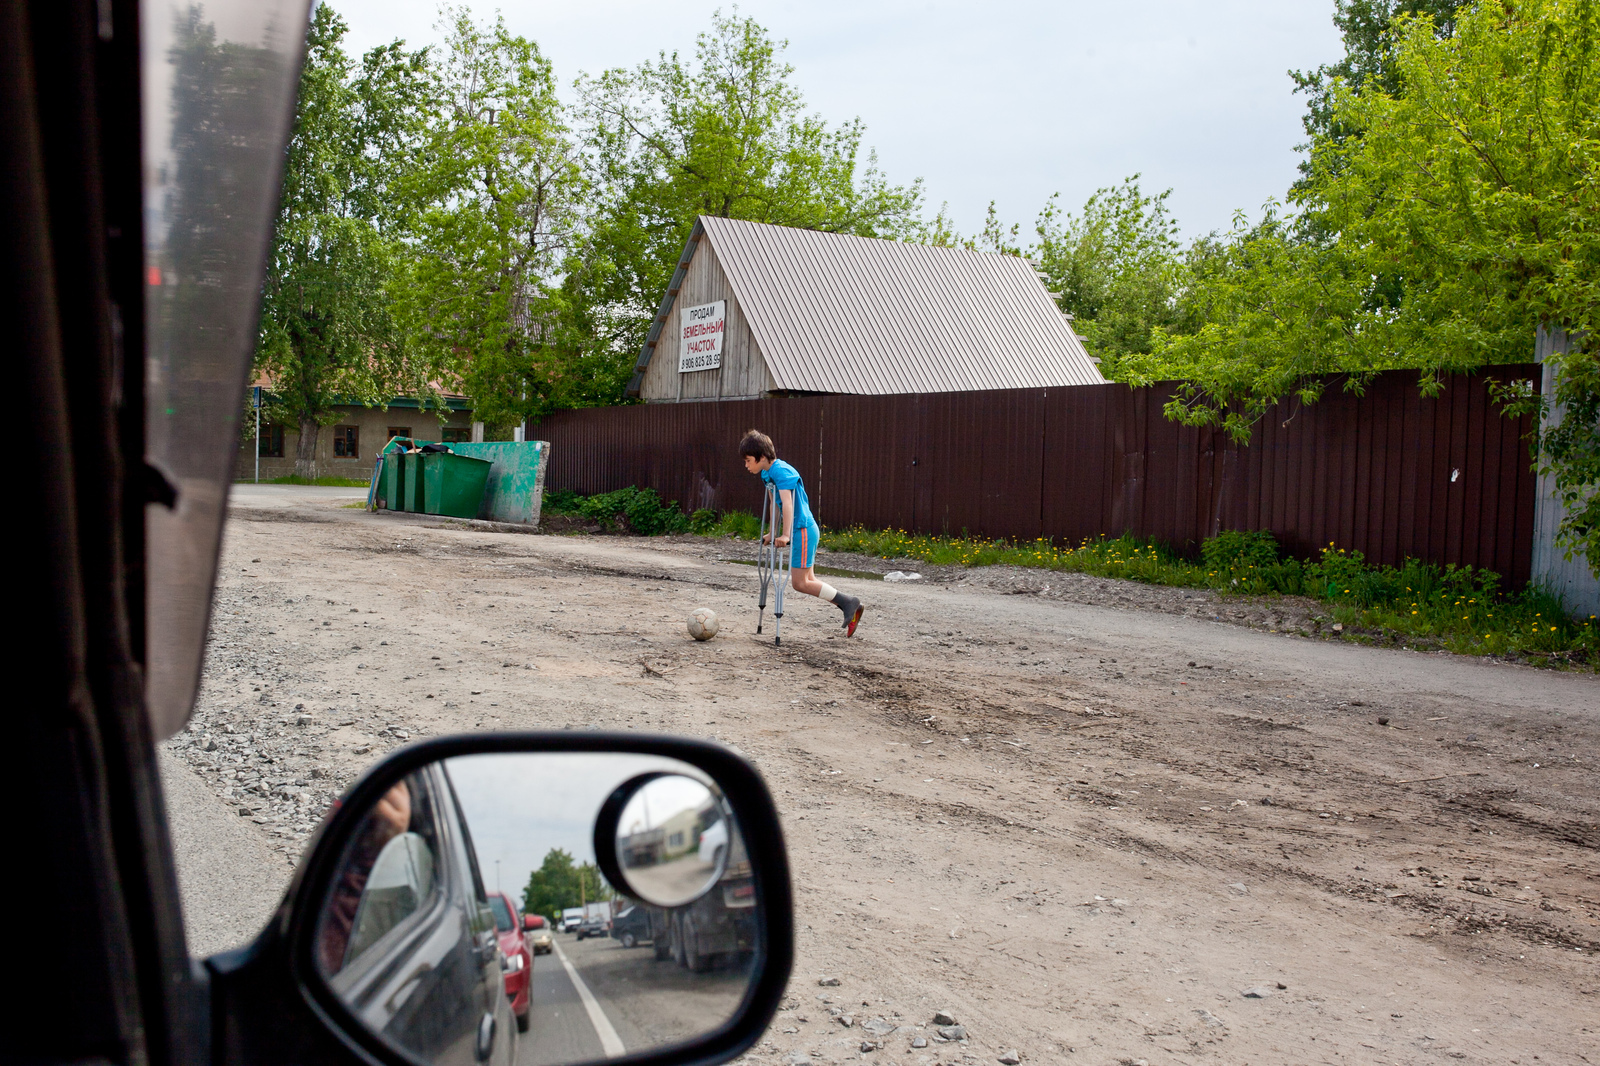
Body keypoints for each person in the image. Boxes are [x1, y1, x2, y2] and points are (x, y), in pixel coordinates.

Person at [739, 429, 864, 636]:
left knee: (800, 583)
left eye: (748, 460)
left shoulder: (781, 471)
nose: (746, 465)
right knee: (809, 580)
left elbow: (787, 503)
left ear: (761, 457)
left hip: (803, 529)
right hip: (802, 530)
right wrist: (772, 532)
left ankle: (848, 602)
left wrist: (786, 535)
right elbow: (774, 504)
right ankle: (849, 604)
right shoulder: (766, 474)